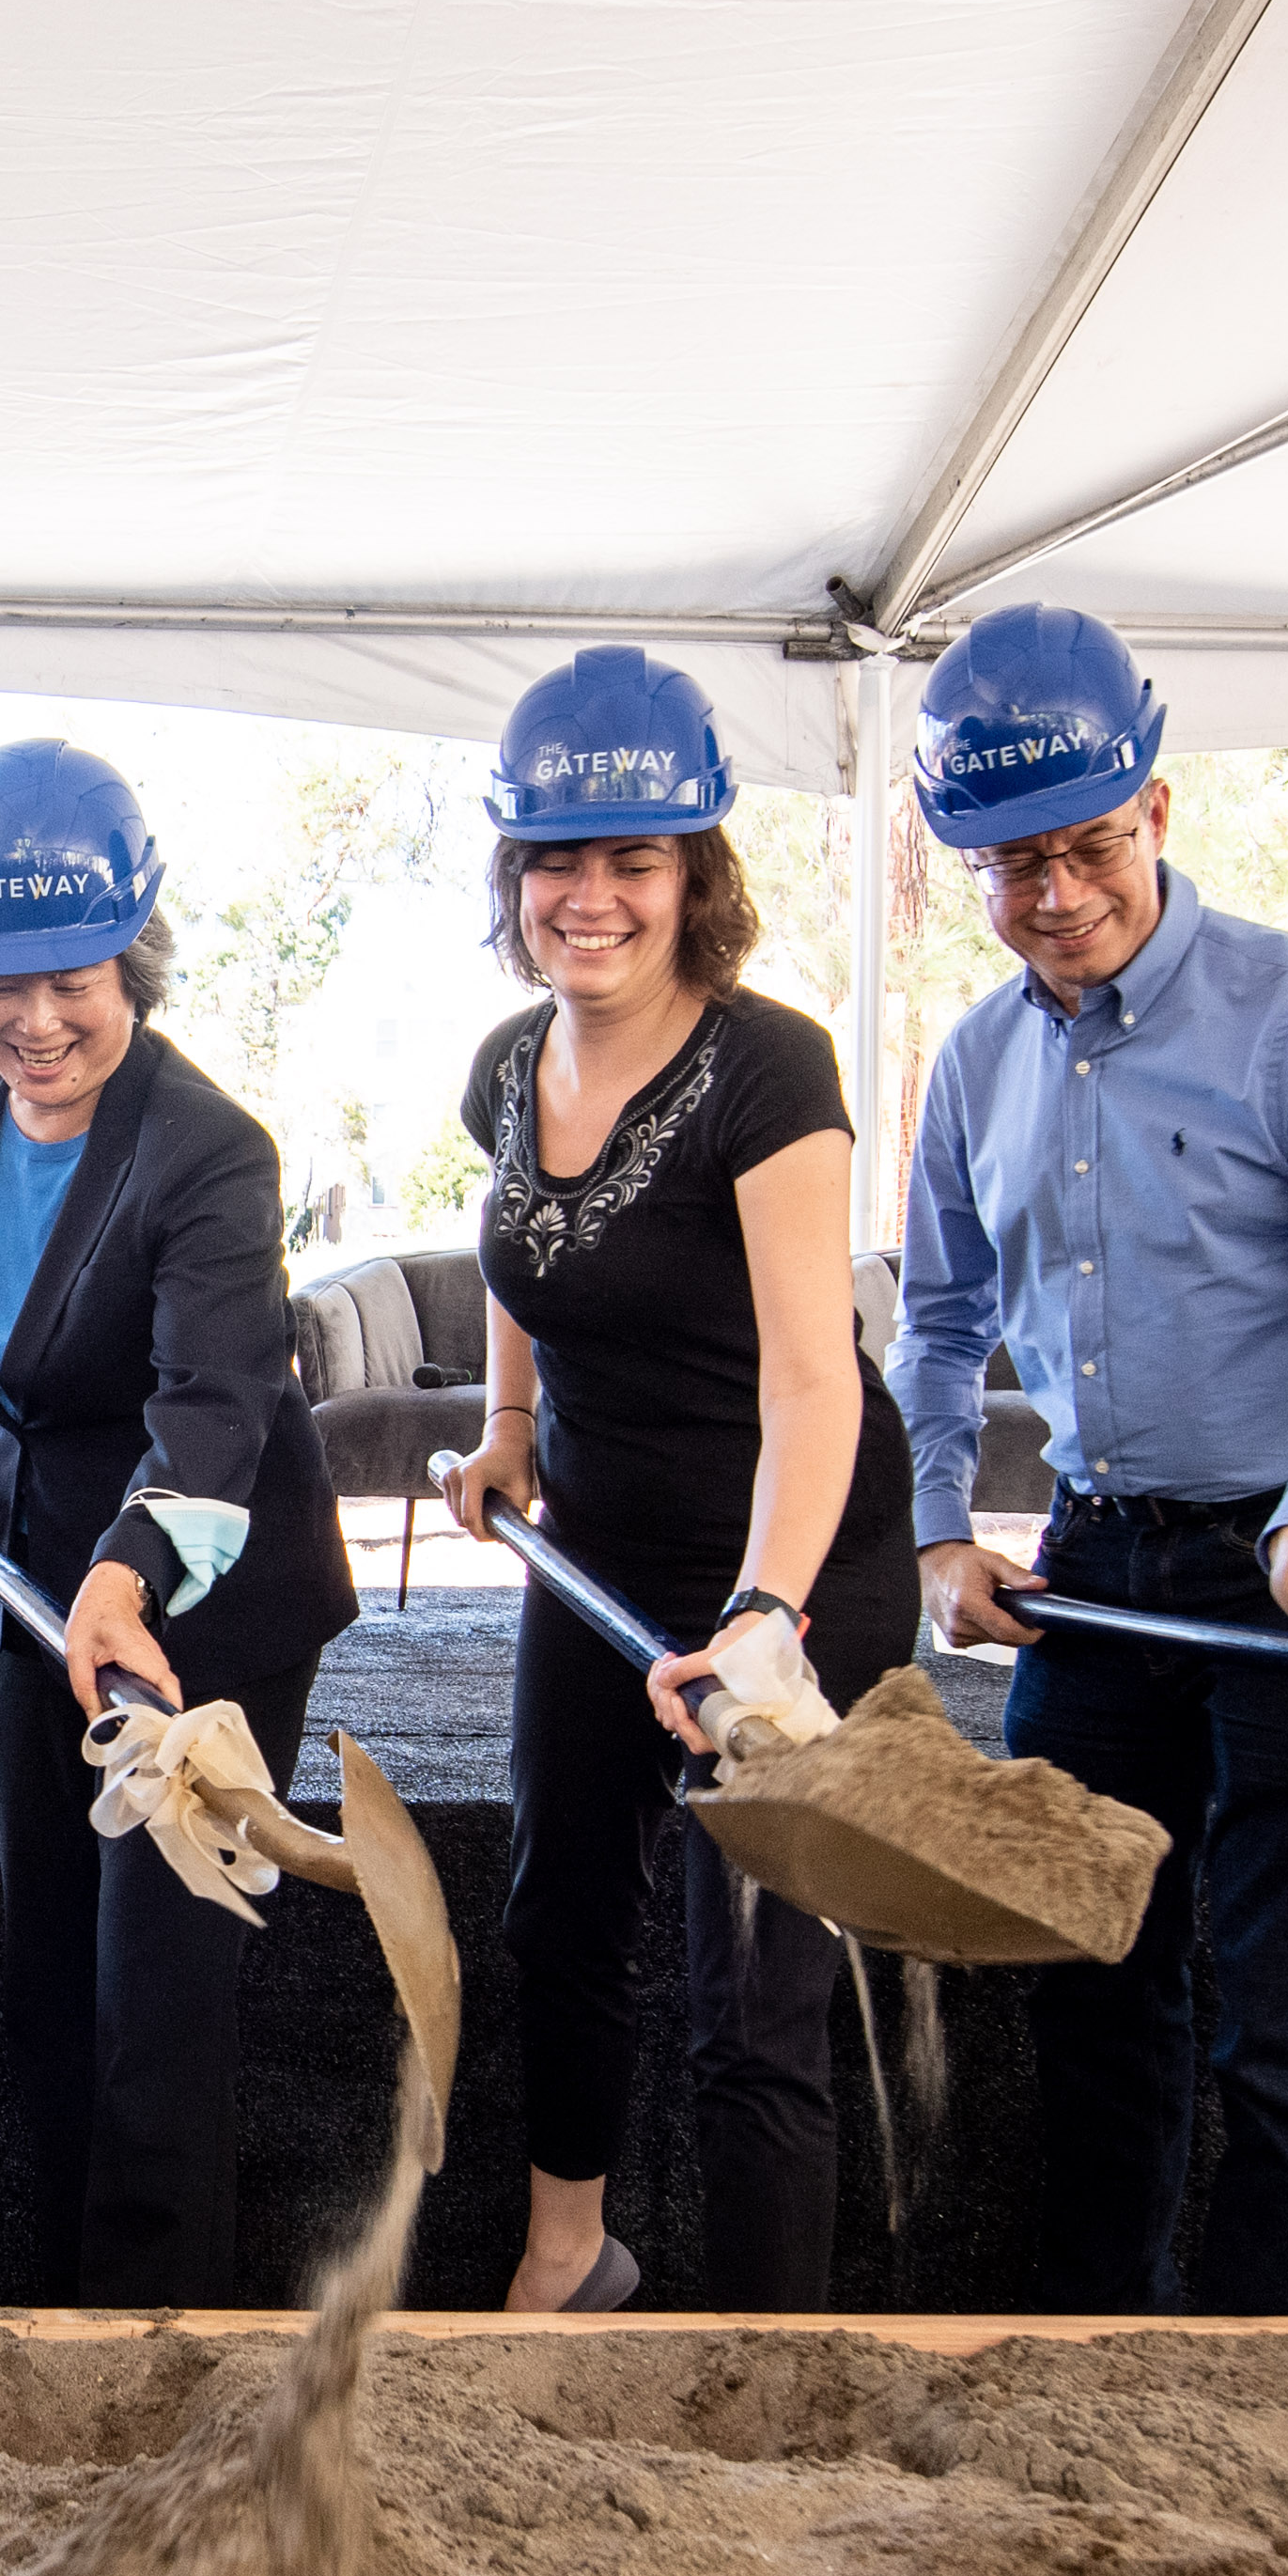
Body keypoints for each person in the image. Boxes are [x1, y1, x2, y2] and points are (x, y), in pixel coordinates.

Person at [891, 604, 1288, 2321]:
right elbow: (930, 1327)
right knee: (1082, 1977)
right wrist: (940, 1531)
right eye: (1008, 868)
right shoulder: (977, 1061)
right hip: (1097, 1574)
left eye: (1083, 847)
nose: (1053, 896)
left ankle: (1278, 2399)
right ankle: (1101, 2367)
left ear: (1155, 806)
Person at [0, 738, 359, 2311]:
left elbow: (213, 1405)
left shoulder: (206, 1147)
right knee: (49, 1970)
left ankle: (154, 2349)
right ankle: (62, 2322)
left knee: (158, 1991)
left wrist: (125, 1581)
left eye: (71, 973)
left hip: (199, 1596)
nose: (36, 1016)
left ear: (129, 952)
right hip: (33, 1572)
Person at [428, 649, 917, 2319]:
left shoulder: (769, 1071)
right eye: (554, 860)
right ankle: (570, 2256)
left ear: (692, 876)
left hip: (792, 1554)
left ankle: (769, 2346)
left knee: (749, 1978)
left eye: (629, 860)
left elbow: (806, 1372)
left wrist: (768, 1615)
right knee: (557, 1904)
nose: (588, 896)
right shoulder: (505, 1066)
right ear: (511, 878)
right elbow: (523, 1252)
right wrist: (504, 1424)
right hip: (602, 1544)